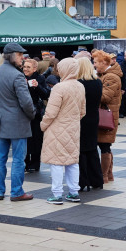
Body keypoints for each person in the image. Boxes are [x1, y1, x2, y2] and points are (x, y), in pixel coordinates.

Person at [0, 42, 37, 201]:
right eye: (20, 55)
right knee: (18, 159)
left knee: (0, 159)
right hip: (17, 123)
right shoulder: (17, 75)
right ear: (12, 56)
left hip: (2, 122)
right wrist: (32, 114)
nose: (22, 58)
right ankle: (16, 192)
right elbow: (26, 102)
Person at [40, 57, 87, 204]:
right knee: (72, 162)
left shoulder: (59, 88)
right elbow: (82, 111)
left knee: (56, 162)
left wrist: (43, 125)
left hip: (56, 128)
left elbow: (51, 112)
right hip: (73, 128)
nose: (58, 71)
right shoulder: (80, 86)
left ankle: (57, 194)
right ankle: (74, 192)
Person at [92, 50, 122, 184]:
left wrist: (90, 91)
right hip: (104, 115)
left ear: (104, 62)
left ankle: (104, 176)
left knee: (104, 146)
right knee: (105, 145)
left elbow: (105, 97)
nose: (94, 65)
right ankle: (108, 174)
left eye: (96, 62)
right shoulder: (103, 75)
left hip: (106, 117)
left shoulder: (111, 77)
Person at [76, 56, 103, 192]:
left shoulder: (79, 84)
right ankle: (97, 180)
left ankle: (83, 181)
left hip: (81, 118)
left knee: (80, 151)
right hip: (94, 118)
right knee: (92, 149)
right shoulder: (98, 82)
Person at [22, 58, 50, 173]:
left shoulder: (40, 78)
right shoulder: (20, 77)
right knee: (24, 137)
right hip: (23, 112)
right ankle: (25, 162)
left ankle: (35, 163)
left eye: (28, 67)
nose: (25, 69)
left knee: (36, 138)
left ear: (34, 68)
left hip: (36, 112)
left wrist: (37, 86)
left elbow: (46, 95)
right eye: (24, 67)